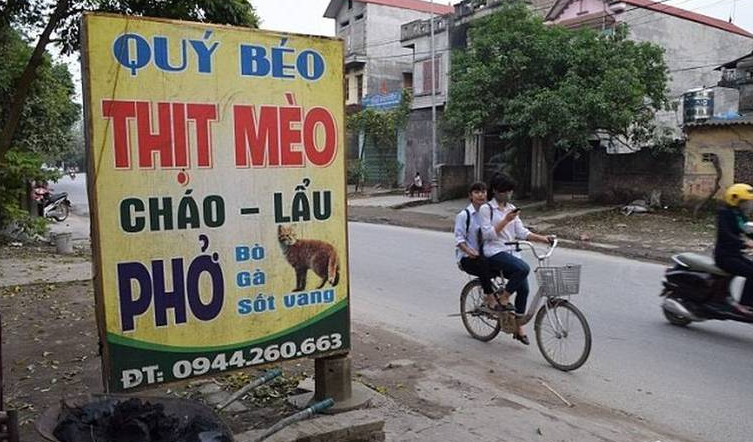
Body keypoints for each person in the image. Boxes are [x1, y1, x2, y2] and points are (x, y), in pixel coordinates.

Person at [479, 174, 554, 345]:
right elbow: (488, 235)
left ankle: (518, 328)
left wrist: (544, 238)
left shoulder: (511, 208)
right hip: (494, 252)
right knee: (523, 268)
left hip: (511, 253)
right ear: (496, 191)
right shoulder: (487, 209)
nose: (509, 195)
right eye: (506, 191)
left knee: (524, 290)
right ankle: (504, 298)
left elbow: (522, 232)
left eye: (510, 191)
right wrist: (506, 220)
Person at [454, 181, 506, 313]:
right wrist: (469, 250)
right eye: (476, 192)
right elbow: (459, 239)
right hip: (467, 258)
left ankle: (502, 298)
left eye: (483, 192)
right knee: (482, 263)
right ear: (470, 196)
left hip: (485, 253)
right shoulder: (464, 215)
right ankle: (489, 296)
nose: (480, 195)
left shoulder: (489, 213)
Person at [714, 183, 753, 315]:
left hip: (735, 255)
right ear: (735, 199)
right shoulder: (724, 213)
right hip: (724, 256)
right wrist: (745, 243)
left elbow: (747, 229)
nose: (747, 205)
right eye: (745, 202)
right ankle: (744, 305)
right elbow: (725, 234)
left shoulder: (738, 214)